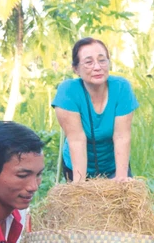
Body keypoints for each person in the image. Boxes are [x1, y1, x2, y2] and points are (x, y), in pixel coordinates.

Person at [52, 37, 139, 182]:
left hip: (112, 165)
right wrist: (79, 185)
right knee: (81, 201)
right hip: (78, 166)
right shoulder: (68, 91)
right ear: (76, 69)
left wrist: (121, 178)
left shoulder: (121, 87)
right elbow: (77, 140)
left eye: (102, 60)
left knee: (120, 199)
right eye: (88, 62)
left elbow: (121, 136)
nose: (97, 67)